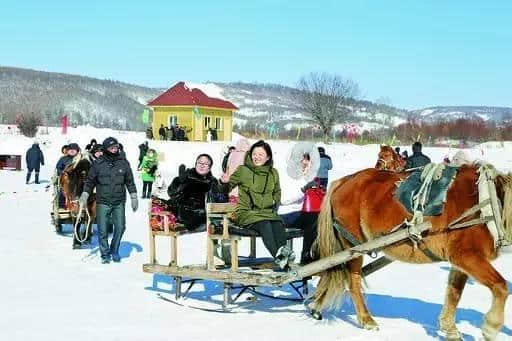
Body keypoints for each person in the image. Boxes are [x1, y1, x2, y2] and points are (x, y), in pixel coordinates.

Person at [220, 140, 293, 268]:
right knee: (264, 223)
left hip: (267, 212)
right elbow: (226, 188)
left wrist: (275, 204)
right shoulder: (243, 170)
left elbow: (277, 191)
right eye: (254, 154)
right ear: (250, 154)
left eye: (261, 155)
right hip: (246, 213)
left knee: (277, 223)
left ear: (268, 157)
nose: (257, 157)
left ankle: (284, 255)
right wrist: (224, 182)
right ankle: (280, 258)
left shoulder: (273, 173)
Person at [79, 137, 138, 264]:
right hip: (103, 201)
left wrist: (133, 196)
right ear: (106, 149)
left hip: (119, 201)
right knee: (102, 230)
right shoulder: (98, 164)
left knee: (121, 227)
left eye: (116, 147)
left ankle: (114, 250)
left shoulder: (124, 163)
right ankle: (105, 254)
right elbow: (90, 182)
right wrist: (85, 195)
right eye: (111, 148)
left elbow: (130, 181)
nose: (114, 149)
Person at [279, 142, 321, 265]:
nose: (305, 162)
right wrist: (303, 190)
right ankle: (306, 255)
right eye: (302, 158)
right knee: (313, 219)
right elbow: (283, 199)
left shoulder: (306, 176)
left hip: (300, 212)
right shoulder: (285, 174)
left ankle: (317, 252)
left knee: (322, 217)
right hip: (285, 213)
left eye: (308, 159)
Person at [167, 154, 220, 230]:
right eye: (200, 163)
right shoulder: (186, 177)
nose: (202, 166)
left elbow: (219, 199)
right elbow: (172, 194)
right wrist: (180, 182)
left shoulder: (213, 182)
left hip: (205, 219)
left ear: (210, 167)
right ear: (196, 164)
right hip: (184, 218)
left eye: (206, 164)